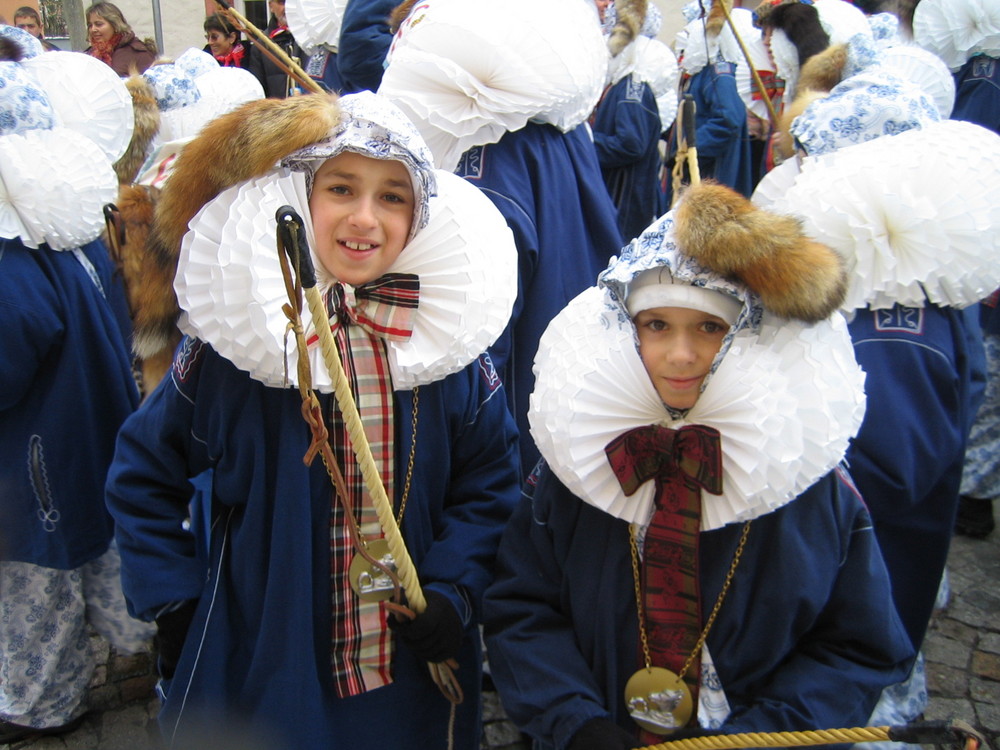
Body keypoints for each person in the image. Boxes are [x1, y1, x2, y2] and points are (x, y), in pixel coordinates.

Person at [105, 90, 521, 749]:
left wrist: (455, 589)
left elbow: (491, 484)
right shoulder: (232, 350)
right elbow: (142, 473)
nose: (365, 217)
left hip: (409, 659)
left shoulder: (448, 355)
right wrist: (175, 599)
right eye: (342, 188)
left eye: (392, 196)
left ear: (419, 214)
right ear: (300, 198)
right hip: (268, 651)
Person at [483, 181, 914, 750]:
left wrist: (759, 738)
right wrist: (575, 721)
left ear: (746, 335)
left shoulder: (809, 485)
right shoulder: (578, 463)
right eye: (656, 325)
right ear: (625, 329)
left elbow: (856, 646)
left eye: (710, 327)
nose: (680, 355)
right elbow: (522, 605)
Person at [380, 0, 626, 477]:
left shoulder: (488, 145)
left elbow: (475, 329)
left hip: (514, 426)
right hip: (578, 396)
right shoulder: (566, 128)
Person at [0, 26, 154, 745]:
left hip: (34, 460)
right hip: (89, 435)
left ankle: (42, 704)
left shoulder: (11, 252)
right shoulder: (69, 225)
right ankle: (147, 648)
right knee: (104, 555)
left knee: (38, 588)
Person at [915, 0, 1000, 539]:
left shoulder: (986, 80)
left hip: (978, 237)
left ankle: (972, 492)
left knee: (982, 366)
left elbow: (968, 162)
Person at [84, 2, 155, 76]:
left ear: (115, 25)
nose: (93, 29)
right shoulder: (89, 56)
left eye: (99, 24)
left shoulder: (138, 53)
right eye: (90, 25)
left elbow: (152, 84)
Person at [203, 12, 266, 90]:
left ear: (232, 37)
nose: (210, 42)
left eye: (214, 37)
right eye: (207, 37)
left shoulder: (251, 55)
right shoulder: (205, 62)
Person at [257, 0, 305, 97]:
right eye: (281, 2)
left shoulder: (313, 38)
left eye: (291, 2)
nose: (287, 7)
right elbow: (260, 91)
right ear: (271, 6)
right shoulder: (262, 44)